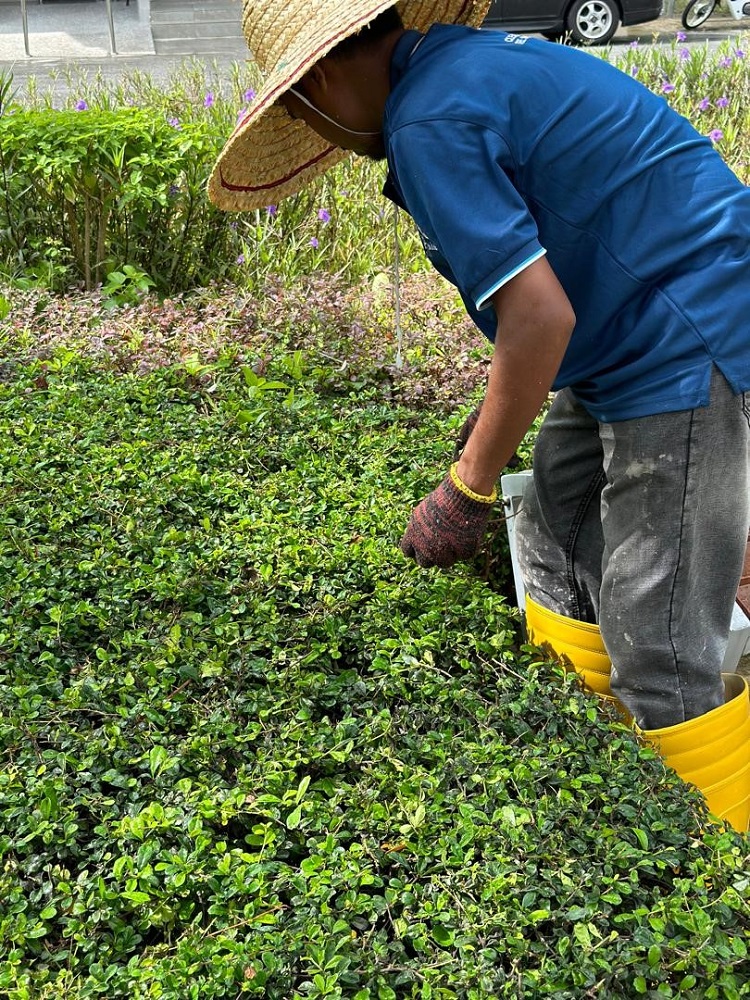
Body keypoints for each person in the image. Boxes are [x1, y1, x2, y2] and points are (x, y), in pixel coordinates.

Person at [209, 0, 750, 831]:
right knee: (557, 520)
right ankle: (602, 736)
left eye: (292, 105)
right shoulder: (460, 69)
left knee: (662, 632)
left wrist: (467, 486)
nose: (308, 124)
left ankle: (708, 860)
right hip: (633, 329)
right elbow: (552, 286)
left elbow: (539, 318)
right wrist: (491, 423)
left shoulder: (426, 120)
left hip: (682, 340)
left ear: (317, 77)